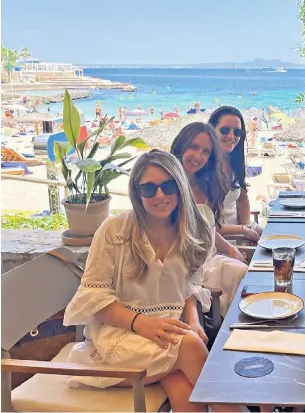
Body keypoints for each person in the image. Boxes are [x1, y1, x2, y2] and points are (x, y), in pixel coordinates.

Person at [63, 150, 238, 412]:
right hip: (117, 337)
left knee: (186, 396)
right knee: (190, 346)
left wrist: (191, 320)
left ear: (180, 186)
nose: (160, 195)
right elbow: (93, 299)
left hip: (164, 334)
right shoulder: (114, 231)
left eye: (168, 185)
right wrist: (142, 323)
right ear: (136, 192)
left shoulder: (192, 229)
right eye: (148, 188)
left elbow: (189, 286)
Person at [170, 123, 249, 314]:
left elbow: (209, 229)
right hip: (177, 263)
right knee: (240, 273)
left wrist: (231, 250)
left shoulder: (208, 185)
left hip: (208, 258)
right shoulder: (166, 185)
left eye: (206, 152)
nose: (198, 156)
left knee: (246, 273)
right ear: (181, 146)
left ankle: (240, 332)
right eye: (194, 147)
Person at [208, 106, 263, 240]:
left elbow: (242, 198)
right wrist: (243, 231)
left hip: (241, 232)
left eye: (237, 132)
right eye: (225, 130)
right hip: (218, 241)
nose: (232, 136)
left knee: (278, 238)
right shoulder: (204, 167)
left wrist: (247, 227)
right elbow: (206, 227)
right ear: (211, 130)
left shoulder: (233, 162)